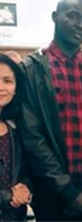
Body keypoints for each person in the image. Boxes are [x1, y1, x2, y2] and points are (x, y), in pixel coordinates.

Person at [19, 0, 82, 221]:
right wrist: (67, 189)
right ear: (55, 17)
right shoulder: (31, 70)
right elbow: (32, 136)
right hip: (50, 192)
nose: (81, 25)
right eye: (73, 16)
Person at [0, 54, 31, 221]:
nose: (1, 87)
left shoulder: (13, 130)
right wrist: (8, 195)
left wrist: (25, 189)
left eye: (7, 81)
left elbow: (23, 170)